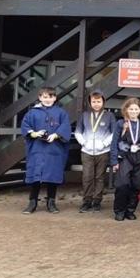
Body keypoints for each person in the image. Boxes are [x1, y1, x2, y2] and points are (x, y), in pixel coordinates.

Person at [20, 86, 71, 214]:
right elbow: (25, 126)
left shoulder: (61, 112)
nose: (47, 99)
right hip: (37, 149)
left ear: (55, 98)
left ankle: (51, 202)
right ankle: (32, 202)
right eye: (44, 97)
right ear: (40, 97)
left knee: (52, 176)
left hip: (54, 149)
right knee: (35, 176)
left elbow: (66, 127)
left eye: (50, 97)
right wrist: (34, 134)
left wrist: (56, 135)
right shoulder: (32, 112)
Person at [110, 98, 140, 221]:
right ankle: (119, 210)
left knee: (137, 185)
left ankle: (130, 210)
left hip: (139, 157)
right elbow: (114, 143)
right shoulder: (120, 123)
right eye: (131, 109)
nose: (133, 111)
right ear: (126, 110)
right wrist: (114, 161)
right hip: (124, 156)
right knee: (122, 184)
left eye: (136, 109)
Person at [74, 89, 116, 213]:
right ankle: (86, 201)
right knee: (87, 177)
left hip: (103, 151)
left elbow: (114, 133)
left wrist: (104, 144)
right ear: (90, 103)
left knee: (99, 177)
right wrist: (83, 142)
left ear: (103, 102)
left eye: (98, 101)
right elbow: (78, 131)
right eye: (94, 101)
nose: (96, 104)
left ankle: (97, 201)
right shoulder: (85, 115)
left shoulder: (109, 115)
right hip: (86, 151)